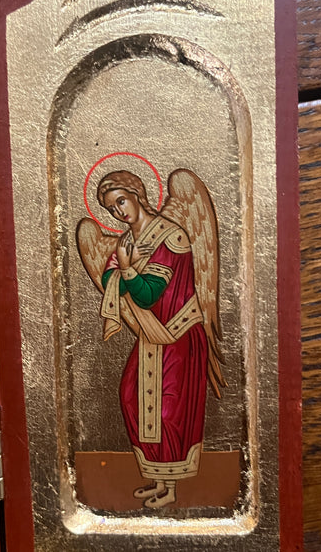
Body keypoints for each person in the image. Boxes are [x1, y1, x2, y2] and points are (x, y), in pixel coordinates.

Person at [97, 170, 208, 508]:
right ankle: (157, 477)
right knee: (132, 397)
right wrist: (125, 267)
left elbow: (148, 295)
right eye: (111, 209)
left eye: (121, 201)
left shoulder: (171, 236)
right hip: (152, 334)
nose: (118, 212)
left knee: (168, 411)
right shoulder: (127, 242)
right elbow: (108, 279)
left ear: (137, 195)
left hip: (179, 334)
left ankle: (171, 487)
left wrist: (127, 270)